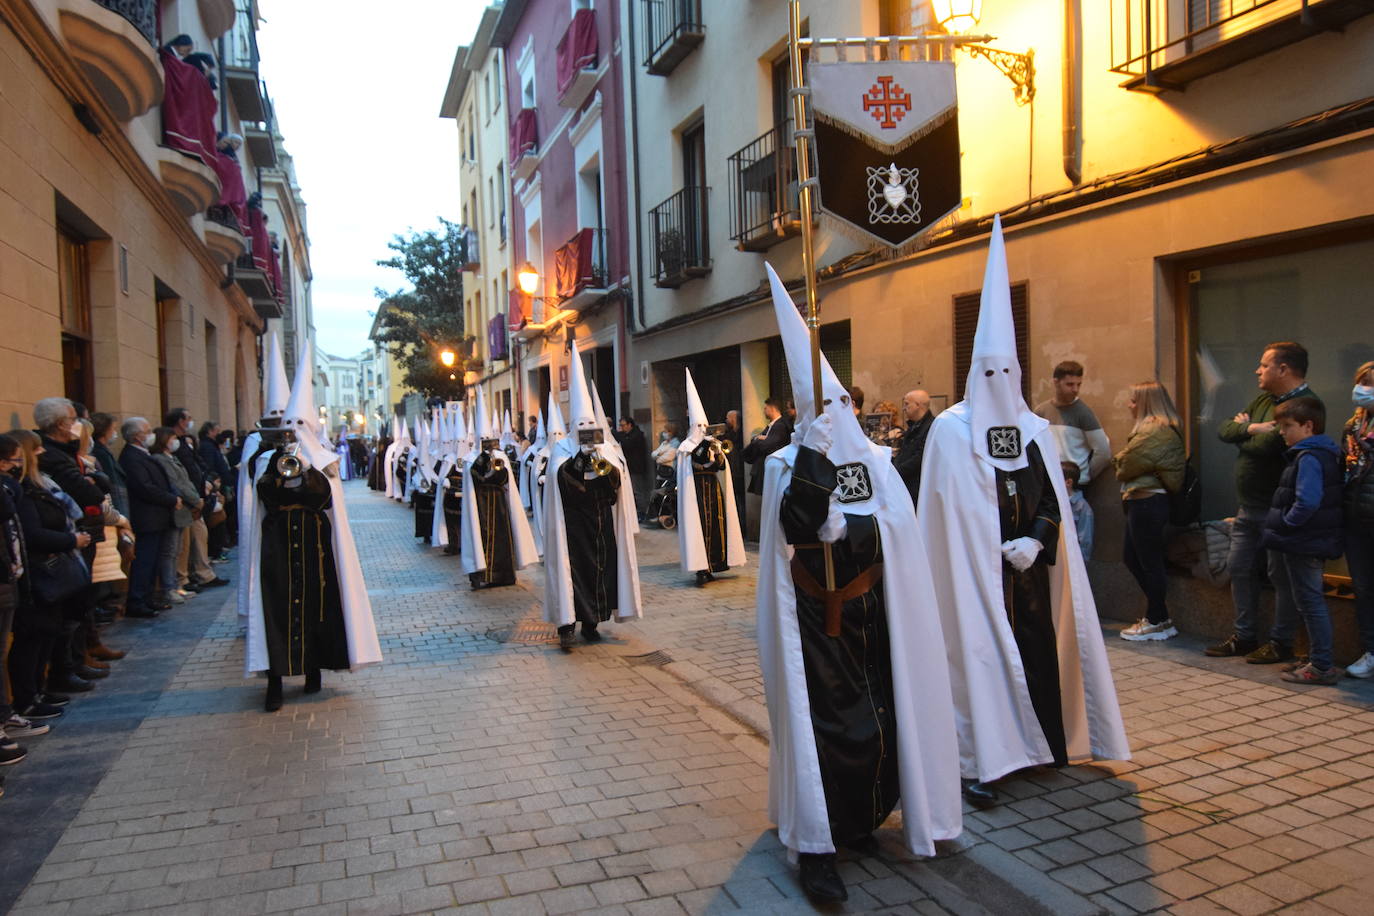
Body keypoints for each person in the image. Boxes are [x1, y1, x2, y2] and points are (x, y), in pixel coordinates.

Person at [755, 264, 960, 903]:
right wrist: (813, 458)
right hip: (814, 626)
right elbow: (796, 527)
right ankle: (818, 843)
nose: (837, 415)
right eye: (823, 408)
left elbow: (900, 533)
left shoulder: (878, 464)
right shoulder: (785, 463)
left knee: (878, 721)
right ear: (805, 412)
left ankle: (865, 816)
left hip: (874, 617)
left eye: (842, 404)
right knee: (828, 730)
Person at [916, 216, 1129, 808]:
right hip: (971, 580)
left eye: (1008, 371)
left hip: (1027, 577)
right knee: (979, 662)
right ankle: (983, 757)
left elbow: (1049, 500)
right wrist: (982, 549)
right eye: (989, 371)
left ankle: (1039, 747)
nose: (999, 381)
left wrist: (1036, 539)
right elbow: (942, 512)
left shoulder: (1035, 430)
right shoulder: (950, 433)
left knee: (1034, 657)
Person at [244, 342, 382, 712]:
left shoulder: (323, 461)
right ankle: (275, 678)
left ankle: (312, 671)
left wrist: (308, 471)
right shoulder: (265, 461)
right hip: (276, 546)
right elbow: (262, 497)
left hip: (314, 546)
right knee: (276, 609)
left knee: (317, 609)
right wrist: (279, 470)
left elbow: (325, 500)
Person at [1206, 342, 1321, 663]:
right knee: (1239, 567)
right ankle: (1244, 636)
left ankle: (1281, 642)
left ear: (1283, 369)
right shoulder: (1263, 400)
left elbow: (1267, 447)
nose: (1257, 370)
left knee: (1280, 575)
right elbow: (1225, 429)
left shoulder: (1305, 404)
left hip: (1280, 507)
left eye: (1264, 365)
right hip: (1248, 505)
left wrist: (1247, 434)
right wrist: (1252, 428)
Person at [544, 342, 643, 651]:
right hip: (572, 525)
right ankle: (566, 626)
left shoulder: (607, 450)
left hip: (600, 522)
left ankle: (592, 622)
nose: (586, 428)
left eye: (591, 425)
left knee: (600, 573)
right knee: (572, 574)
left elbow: (617, 482)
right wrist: (578, 461)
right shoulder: (561, 450)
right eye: (581, 425)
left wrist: (599, 462)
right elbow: (559, 480)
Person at [1255, 398, 1345, 685]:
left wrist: (1286, 524)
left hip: (1304, 540)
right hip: (1309, 539)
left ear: (1308, 426)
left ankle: (1320, 665)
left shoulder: (1309, 457)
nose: (1282, 432)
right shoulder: (1316, 454)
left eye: (1287, 426)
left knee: (1310, 601)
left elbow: (1307, 502)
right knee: (1306, 600)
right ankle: (1315, 658)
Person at [8, 429, 95, 707]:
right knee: (32, 637)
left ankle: (39, 689)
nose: (42, 452)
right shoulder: (20, 491)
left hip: (53, 568)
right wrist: (71, 539)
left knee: (49, 632)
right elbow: (32, 533)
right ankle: (27, 698)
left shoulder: (39, 485)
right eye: (36, 450)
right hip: (38, 571)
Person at [1113, 381, 1187, 641]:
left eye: (1133, 400)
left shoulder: (1154, 429)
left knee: (1147, 561)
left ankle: (1157, 620)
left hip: (1147, 502)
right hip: (1144, 501)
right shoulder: (1155, 429)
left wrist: (1121, 460)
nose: (1129, 404)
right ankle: (1160, 617)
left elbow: (1124, 465)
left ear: (1145, 402)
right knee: (1135, 558)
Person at [460, 388, 536, 590]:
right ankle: (481, 574)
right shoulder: (470, 459)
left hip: (500, 505)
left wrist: (494, 462)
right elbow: (476, 479)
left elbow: (504, 479)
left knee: (502, 539)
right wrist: (484, 459)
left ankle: (503, 575)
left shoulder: (501, 456)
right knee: (482, 538)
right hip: (481, 506)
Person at [1033, 362, 1111, 559]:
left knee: (1074, 539)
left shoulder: (1083, 412)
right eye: (1070, 384)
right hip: (1048, 482)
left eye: (1078, 384)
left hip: (1073, 485)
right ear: (1056, 382)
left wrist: (1084, 475)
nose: (1075, 389)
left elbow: (1103, 450)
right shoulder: (1041, 411)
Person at [676, 370, 745, 587]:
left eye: (704, 426)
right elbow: (690, 466)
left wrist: (716, 454)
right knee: (700, 527)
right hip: (695, 490)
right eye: (699, 426)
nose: (702, 430)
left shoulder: (713, 443)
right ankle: (700, 567)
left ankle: (714, 564)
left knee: (715, 525)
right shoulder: (686, 447)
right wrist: (702, 451)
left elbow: (722, 465)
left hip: (712, 489)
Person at [118, 418, 178, 618]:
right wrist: (170, 499)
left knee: (152, 562)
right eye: (148, 430)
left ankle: (149, 597)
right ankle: (137, 600)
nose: (151, 434)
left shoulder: (143, 455)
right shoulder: (131, 457)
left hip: (157, 517)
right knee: (144, 560)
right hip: (147, 517)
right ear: (137, 436)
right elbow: (144, 487)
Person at [165, 408, 226, 592]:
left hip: (197, 495)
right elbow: (183, 475)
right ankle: (193, 575)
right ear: (180, 421)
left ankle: (199, 573)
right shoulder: (176, 445)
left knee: (197, 537)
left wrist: (207, 481)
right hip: (188, 499)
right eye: (188, 418)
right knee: (187, 542)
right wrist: (195, 495)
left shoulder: (184, 442)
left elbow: (196, 465)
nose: (191, 421)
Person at [1343, 362, 1374, 679]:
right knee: (1363, 589)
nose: (1363, 390)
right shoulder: (1353, 426)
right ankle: (1371, 650)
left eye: (1370, 384)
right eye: (1361, 382)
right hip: (1356, 519)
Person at [151, 428, 201, 605]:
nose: (175, 441)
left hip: (184, 509)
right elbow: (176, 483)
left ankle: (175, 585)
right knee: (170, 551)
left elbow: (185, 480)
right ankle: (169, 588)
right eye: (173, 437)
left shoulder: (173, 458)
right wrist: (195, 499)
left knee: (178, 550)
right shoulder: (160, 459)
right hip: (175, 509)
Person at [892, 389, 934, 509]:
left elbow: (920, 457)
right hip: (906, 485)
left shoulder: (931, 426)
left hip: (917, 488)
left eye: (906, 404)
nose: (904, 408)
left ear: (917, 405)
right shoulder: (913, 426)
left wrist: (896, 472)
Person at [742, 399, 792, 497]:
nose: (764, 411)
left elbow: (766, 445)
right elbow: (756, 440)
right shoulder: (772, 425)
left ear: (772, 408)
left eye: (765, 408)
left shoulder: (780, 426)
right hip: (764, 468)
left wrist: (759, 440)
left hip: (771, 471)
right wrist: (758, 438)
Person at [90, 413, 128, 519]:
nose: (114, 433)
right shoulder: (100, 453)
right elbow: (112, 486)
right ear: (104, 431)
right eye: (113, 429)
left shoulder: (105, 451)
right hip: (115, 504)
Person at [614, 416, 649, 519]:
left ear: (630, 425)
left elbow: (628, 445)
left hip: (636, 468)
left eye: (623, 425)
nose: (621, 428)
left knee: (638, 491)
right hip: (629, 467)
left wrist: (618, 435)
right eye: (620, 425)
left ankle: (643, 512)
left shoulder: (637, 435)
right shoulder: (627, 435)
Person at [723, 409, 746, 518]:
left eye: (728, 418)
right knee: (735, 497)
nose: (726, 420)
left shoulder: (741, 432)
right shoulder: (729, 432)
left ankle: (743, 522)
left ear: (732, 419)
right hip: (732, 466)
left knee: (741, 498)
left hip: (739, 468)